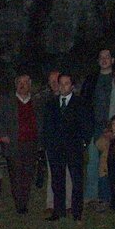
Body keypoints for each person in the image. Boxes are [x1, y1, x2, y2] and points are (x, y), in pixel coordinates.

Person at [42, 72, 91, 222]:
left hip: (74, 147)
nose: (62, 87)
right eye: (60, 83)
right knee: (57, 180)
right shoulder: (51, 104)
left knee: (76, 180)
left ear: (72, 86)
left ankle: (77, 212)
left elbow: (87, 125)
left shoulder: (80, 102)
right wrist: (48, 144)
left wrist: (84, 142)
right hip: (55, 148)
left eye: (66, 83)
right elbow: (47, 126)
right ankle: (58, 210)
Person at [0, 73, 39, 214]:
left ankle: (25, 200)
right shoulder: (7, 101)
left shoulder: (35, 101)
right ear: (16, 85)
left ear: (30, 85)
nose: (22, 85)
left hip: (31, 143)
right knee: (16, 174)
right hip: (14, 143)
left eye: (25, 82)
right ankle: (20, 205)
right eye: (20, 83)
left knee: (28, 173)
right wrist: (3, 134)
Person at [81, 49, 115, 207]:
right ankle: (90, 194)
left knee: (108, 162)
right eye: (101, 57)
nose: (104, 60)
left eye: (107, 57)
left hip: (113, 127)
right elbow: (84, 103)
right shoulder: (92, 79)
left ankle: (106, 196)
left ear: (112, 60)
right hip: (95, 127)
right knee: (93, 161)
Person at [38, 69, 72, 214]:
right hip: (52, 144)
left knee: (68, 173)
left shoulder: (71, 99)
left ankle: (68, 203)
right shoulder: (46, 100)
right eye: (52, 81)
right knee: (53, 173)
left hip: (68, 143)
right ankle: (51, 203)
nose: (55, 84)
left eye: (56, 80)